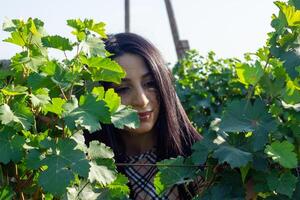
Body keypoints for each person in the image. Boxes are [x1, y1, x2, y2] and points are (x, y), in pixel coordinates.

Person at [84, 32, 203, 199]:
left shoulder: (203, 162)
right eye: (122, 89)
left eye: (150, 84)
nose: (141, 100)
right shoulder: (83, 169)